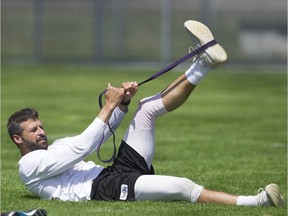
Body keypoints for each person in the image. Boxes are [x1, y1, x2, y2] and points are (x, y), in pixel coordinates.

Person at [7, 20, 283, 207]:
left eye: (40, 126)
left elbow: (98, 137)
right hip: (105, 191)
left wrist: (122, 104)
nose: (41, 131)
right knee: (183, 186)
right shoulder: (27, 168)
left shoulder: (56, 146)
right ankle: (255, 201)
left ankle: (205, 63)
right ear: (18, 139)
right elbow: (83, 147)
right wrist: (107, 106)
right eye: (33, 130)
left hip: (114, 173)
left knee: (147, 109)